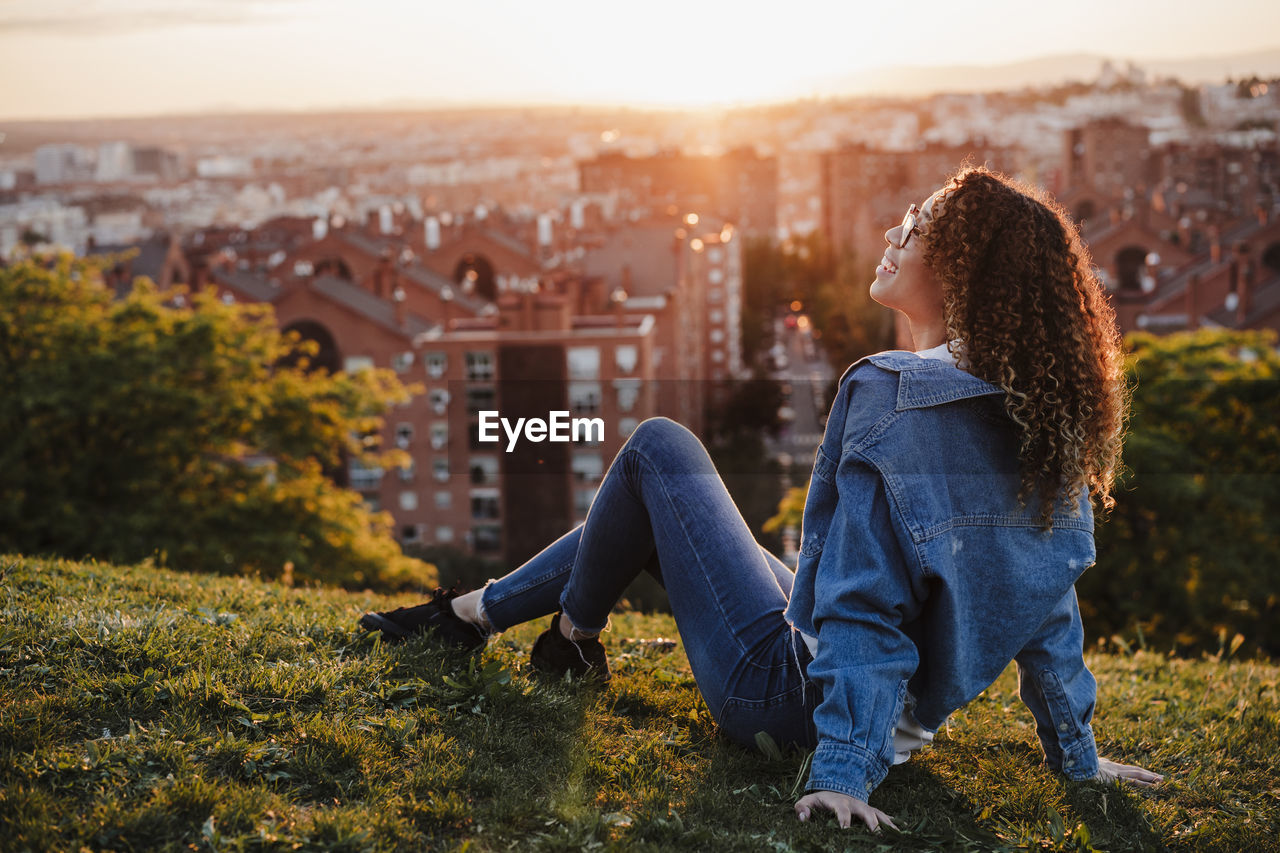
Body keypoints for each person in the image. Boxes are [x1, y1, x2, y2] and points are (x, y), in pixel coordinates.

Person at [359, 166, 1163, 832]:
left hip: (786, 700)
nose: (891, 236)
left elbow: (863, 603)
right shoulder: (1045, 419)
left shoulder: (897, 396)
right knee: (674, 499)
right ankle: (483, 618)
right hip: (876, 709)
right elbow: (1047, 610)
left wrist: (844, 772)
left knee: (658, 448)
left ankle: (565, 628)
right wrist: (1077, 755)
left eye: (913, 230)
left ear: (959, 270)